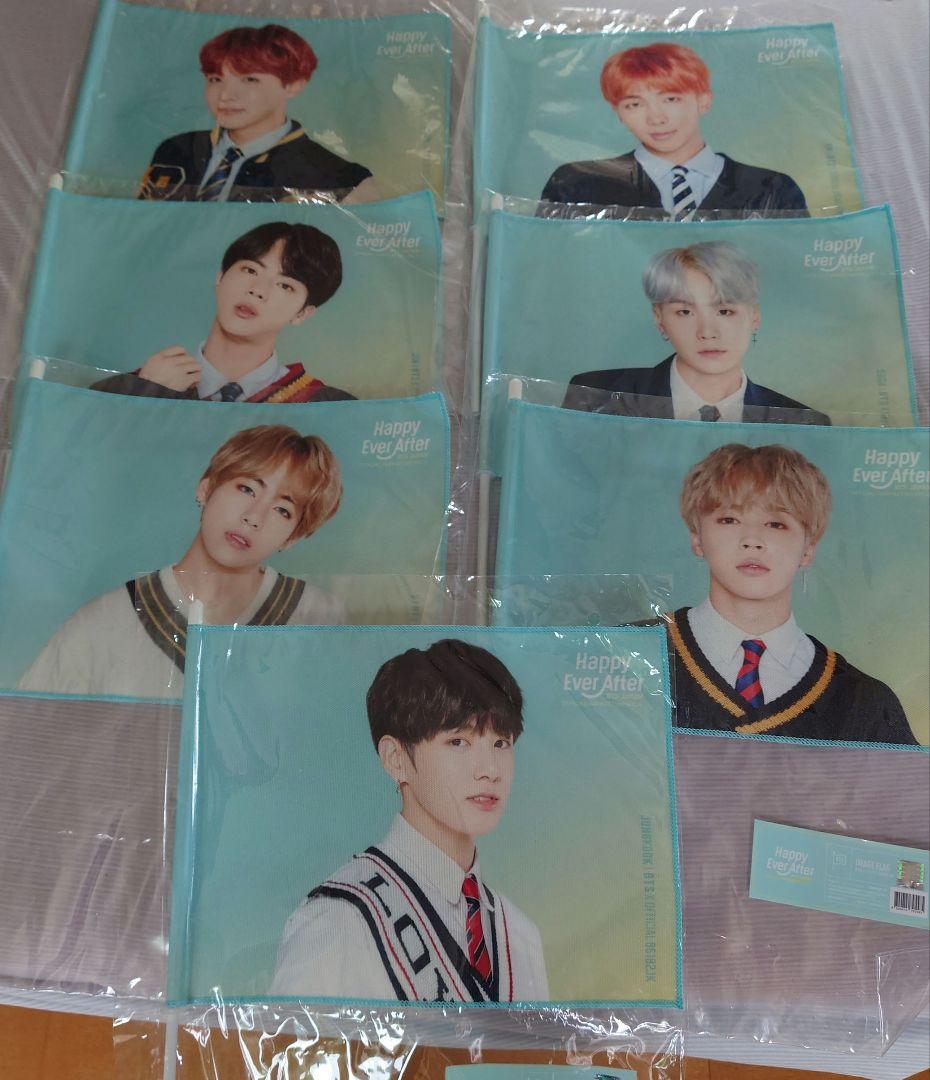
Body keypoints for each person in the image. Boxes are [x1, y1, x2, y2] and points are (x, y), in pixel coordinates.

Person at [269, 639, 550, 1002]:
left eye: (501, 743)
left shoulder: (519, 934)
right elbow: (287, 1041)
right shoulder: (338, 920)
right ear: (396, 758)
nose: (490, 770)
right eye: (458, 742)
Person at [18, 425, 345, 699]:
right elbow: (25, 737)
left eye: (282, 510)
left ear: (292, 537)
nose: (254, 517)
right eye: (246, 489)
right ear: (206, 488)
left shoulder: (317, 617)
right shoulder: (105, 620)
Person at [661, 444, 917, 743]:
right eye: (729, 519)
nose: (752, 540)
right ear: (697, 537)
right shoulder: (632, 657)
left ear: (808, 549)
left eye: (776, 524)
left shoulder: (865, 702)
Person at [563, 242, 830, 424]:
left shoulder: (803, 423)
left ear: (754, 317)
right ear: (659, 318)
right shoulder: (595, 396)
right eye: (685, 312)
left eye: (725, 311)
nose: (707, 332)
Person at [91, 222, 355, 403]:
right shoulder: (129, 389)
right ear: (220, 277)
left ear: (303, 313)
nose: (258, 290)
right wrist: (144, 394)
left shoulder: (324, 406)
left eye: (285, 285)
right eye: (250, 270)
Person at [540, 42, 808, 216]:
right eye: (634, 104)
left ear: (704, 101)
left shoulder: (771, 188)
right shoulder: (578, 184)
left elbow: (794, 275)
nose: (656, 118)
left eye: (671, 99)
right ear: (618, 113)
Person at [140, 24, 376, 203]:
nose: (225, 95)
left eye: (249, 79)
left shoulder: (343, 179)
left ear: (293, 85)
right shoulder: (175, 150)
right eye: (216, 79)